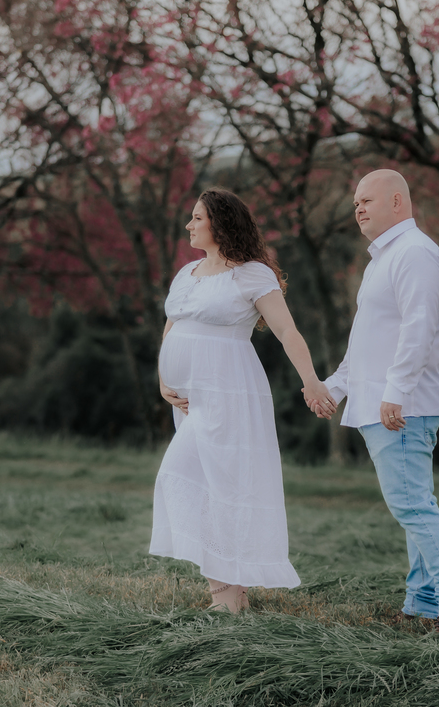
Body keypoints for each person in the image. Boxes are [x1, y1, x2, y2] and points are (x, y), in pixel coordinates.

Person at [307, 169, 439, 632]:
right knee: (413, 504)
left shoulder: (415, 253)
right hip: (384, 403)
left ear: (397, 202)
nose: (358, 209)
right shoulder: (383, 260)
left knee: (412, 506)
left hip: (402, 406)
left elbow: (418, 331)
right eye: (355, 203)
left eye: (367, 200)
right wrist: (335, 387)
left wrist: (397, 392)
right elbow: (368, 342)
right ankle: (422, 603)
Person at [151, 187, 335, 613]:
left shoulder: (252, 275)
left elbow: (287, 331)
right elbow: (172, 327)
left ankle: (228, 596)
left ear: (220, 223)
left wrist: (311, 381)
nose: (189, 225)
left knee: (206, 480)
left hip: (228, 390)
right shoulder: (187, 273)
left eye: (197, 218)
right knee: (206, 486)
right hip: (189, 398)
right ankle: (229, 597)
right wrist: (163, 380)